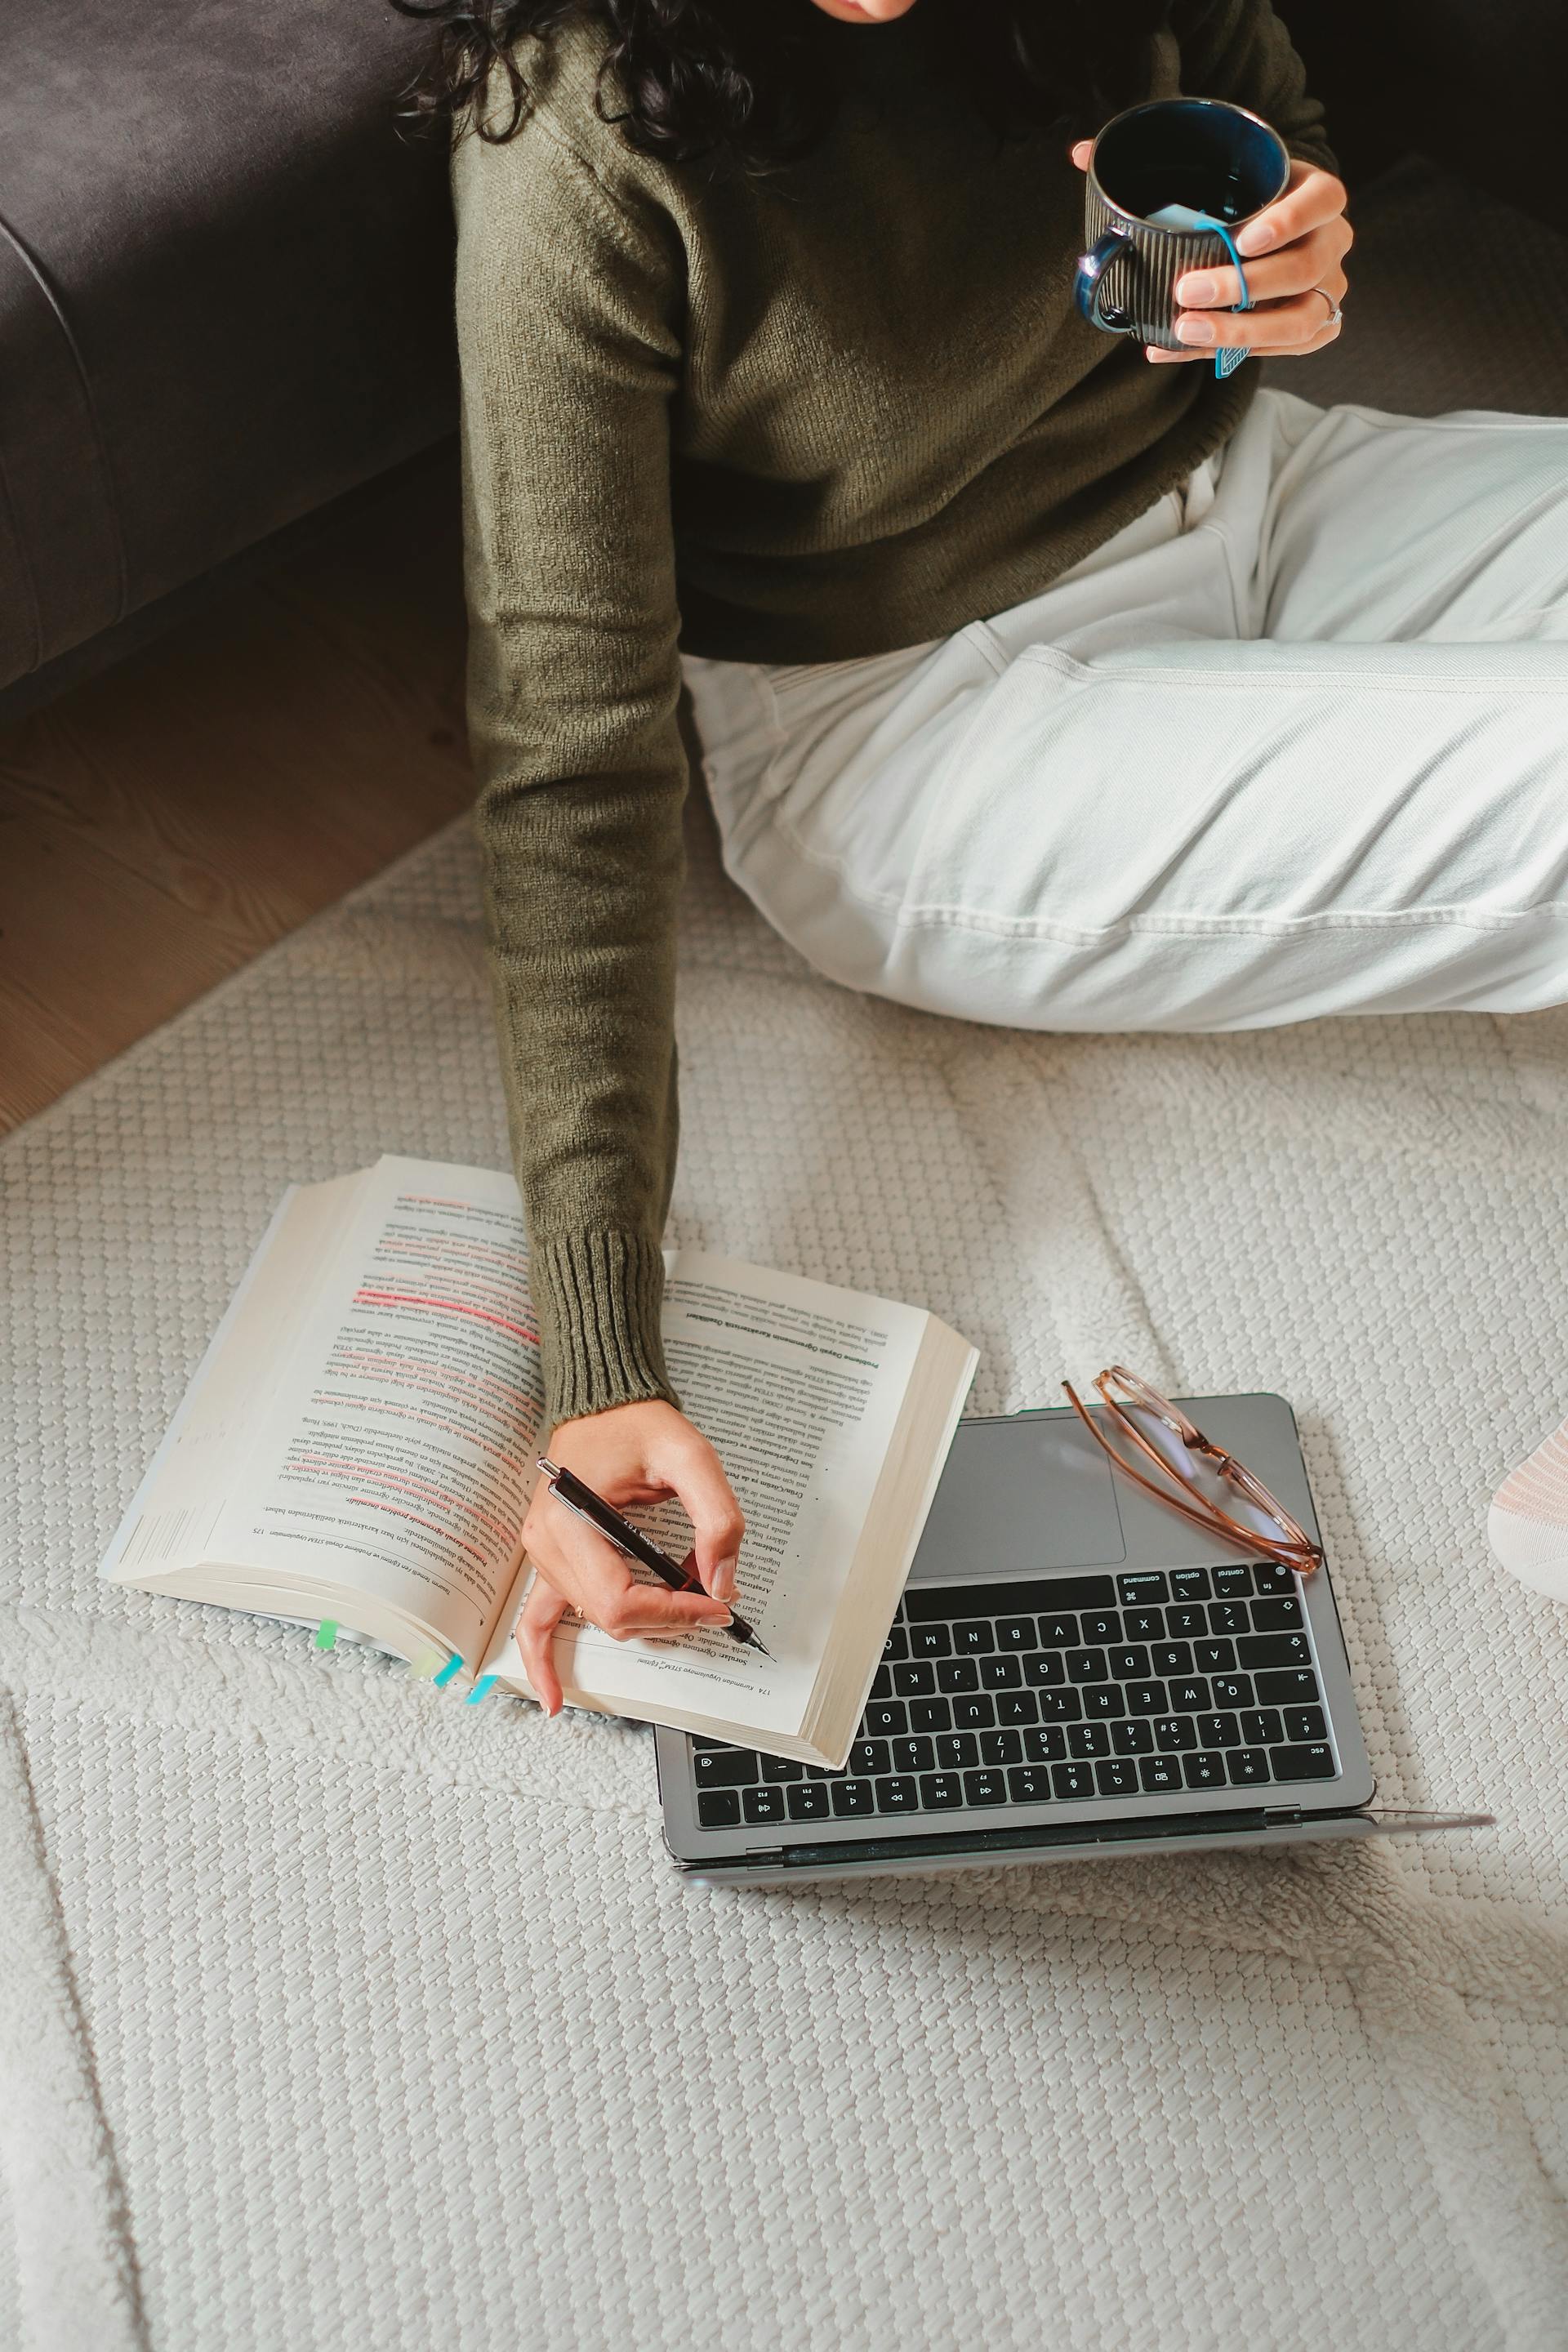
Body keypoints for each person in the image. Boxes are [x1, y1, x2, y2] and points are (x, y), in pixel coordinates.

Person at [397, 0, 1568, 1708]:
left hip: (1241, 485)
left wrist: (1302, 239)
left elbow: (1273, 115)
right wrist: (598, 1360)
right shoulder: (576, 136)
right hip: (914, 720)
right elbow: (570, 750)